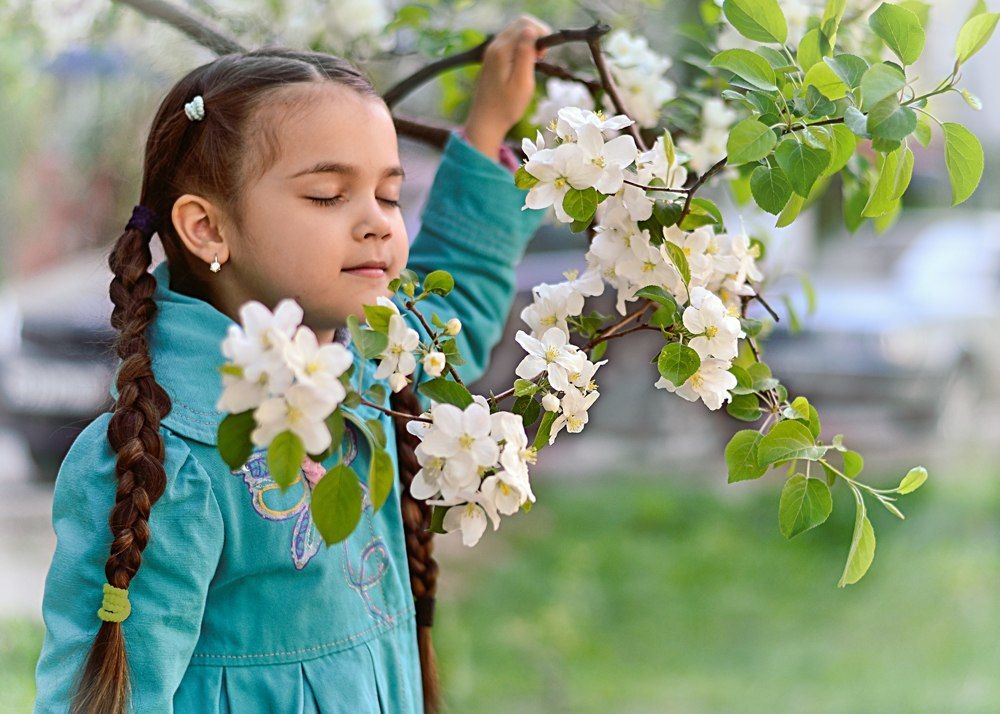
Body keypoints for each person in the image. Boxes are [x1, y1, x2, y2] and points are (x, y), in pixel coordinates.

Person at [33, 14, 551, 714]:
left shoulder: (374, 365)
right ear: (209, 227)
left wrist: (488, 124)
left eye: (390, 195)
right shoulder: (167, 460)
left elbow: (456, 312)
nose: (376, 221)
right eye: (328, 196)